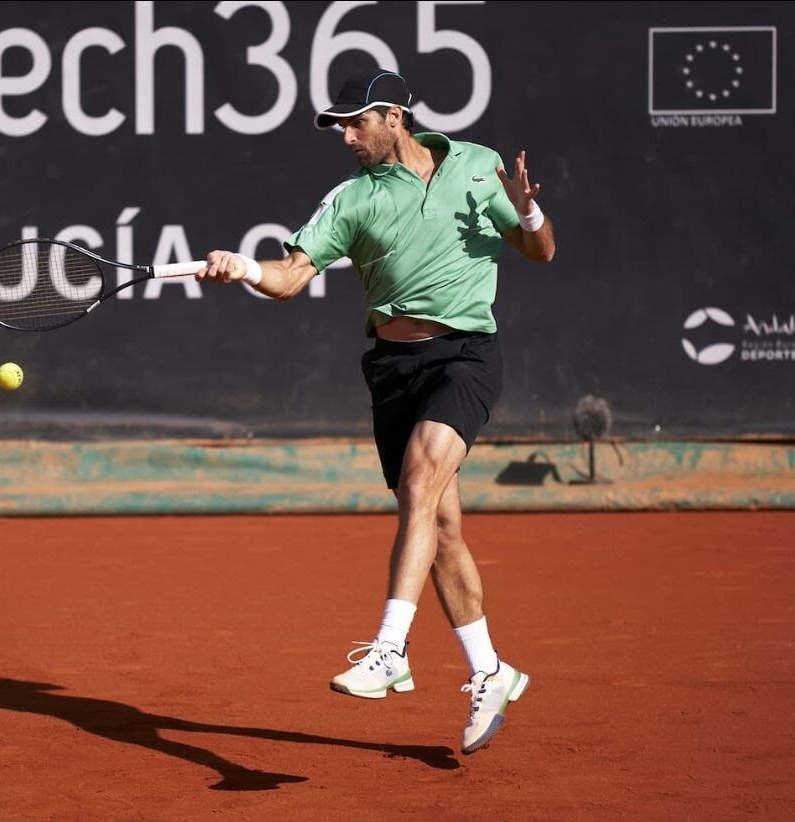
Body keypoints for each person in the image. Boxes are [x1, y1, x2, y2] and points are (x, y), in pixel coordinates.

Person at [196, 70, 555, 754]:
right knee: (441, 525)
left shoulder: (477, 166)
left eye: (356, 122)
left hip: (466, 356)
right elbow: (289, 278)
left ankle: (390, 649)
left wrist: (528, 213)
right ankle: (490, 671)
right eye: (339, 126)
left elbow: (541, 251)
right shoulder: (353, 199)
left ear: (395, 116)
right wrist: (244, 268)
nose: (346, 136)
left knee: (420, 483)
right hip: (393, 370)